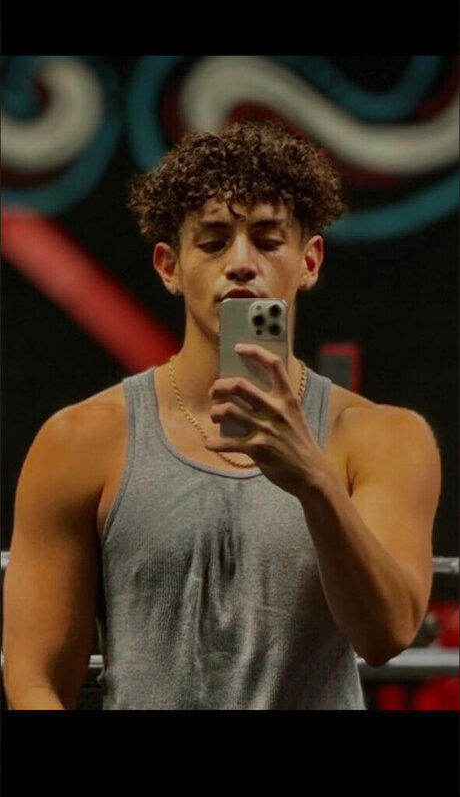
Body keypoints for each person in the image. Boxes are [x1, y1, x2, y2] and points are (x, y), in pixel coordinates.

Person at [2, 120, 442, 710]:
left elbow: (387, 635)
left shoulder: (384, 438)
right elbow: (35, 679)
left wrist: (313, 480)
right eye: (212, 242)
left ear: (309, 261)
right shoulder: (79, 440)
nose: (240, 262)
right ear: (170, 267)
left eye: (268, 240)